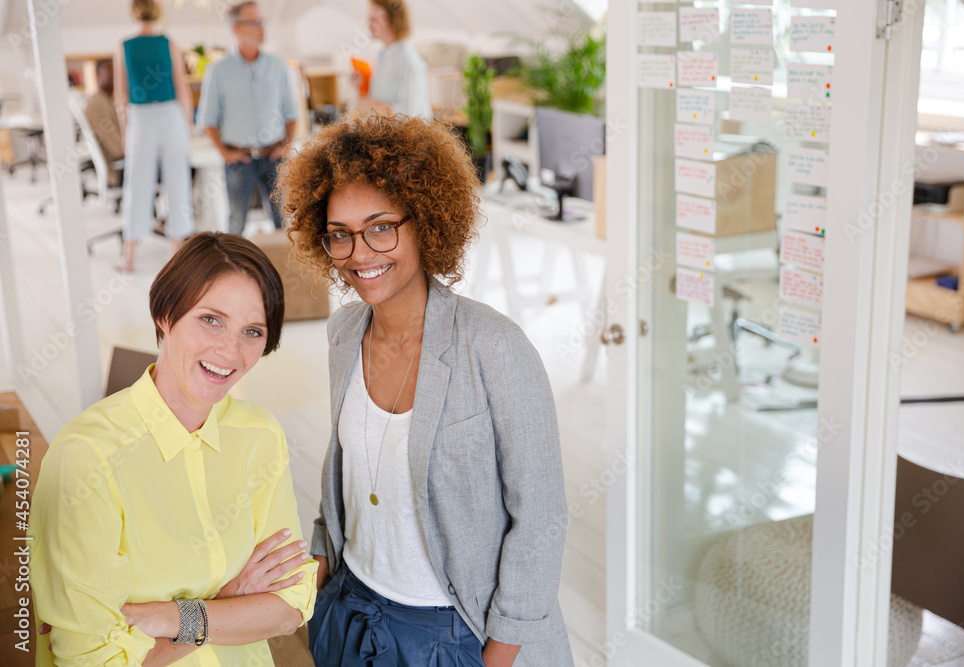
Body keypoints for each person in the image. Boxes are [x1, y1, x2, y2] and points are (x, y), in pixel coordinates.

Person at [278, 112, 573, 666]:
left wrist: (498, 658)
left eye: (381, 226)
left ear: (427, 222)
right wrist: (303, 592)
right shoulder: (343, 333)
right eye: (340, 235)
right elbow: (344, 481)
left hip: (458, 632)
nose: (361, 253)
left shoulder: (494, 347)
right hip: (352, 613)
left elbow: (540, 518)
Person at [29, 232, 318, 666]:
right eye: (211, 319)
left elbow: (291, 605)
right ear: (165, 313)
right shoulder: (86, 458)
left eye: (252, 331)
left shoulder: (260, 435)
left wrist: (167, 618)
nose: (229, 350)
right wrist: (228, 601)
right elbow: (92, 660)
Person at [198, 1, 297, 236]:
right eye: (254, 23)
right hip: (239, 160)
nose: (262, 28)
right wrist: (225, 153)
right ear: (237, 29)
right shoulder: (218, 70)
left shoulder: (278, 66)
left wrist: (287, 146)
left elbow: (291, 113)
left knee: (283, 223)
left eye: (262, 22)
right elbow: (208, 119)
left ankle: (284, 271)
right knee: (236, 224)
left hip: (274, 157)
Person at [114, 0, 194, 272]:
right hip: (170, 115)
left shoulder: (124, 46)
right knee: (177, 179)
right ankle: (174, 250)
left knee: (137, 182)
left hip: (140, 116)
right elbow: (182, 88)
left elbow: (121, 96)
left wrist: (126, 131)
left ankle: (129, 255)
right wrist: (189, 124)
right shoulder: (169, 43)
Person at [359, 0, 432, 119]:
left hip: (409, 136)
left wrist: (373, 105)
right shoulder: (382, 56)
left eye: (373, 19)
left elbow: (410, 114)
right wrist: (360, 86)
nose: (369, 24)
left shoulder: (408, 61)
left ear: (387, 19)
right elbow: (378, 97)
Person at [84, 59, 124, 184]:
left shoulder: (106, 100)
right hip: (117, 169)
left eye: (117, 70)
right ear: (97, 75)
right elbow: (118, 149)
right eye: (109, 70)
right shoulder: (97, 104)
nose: (115, 74)